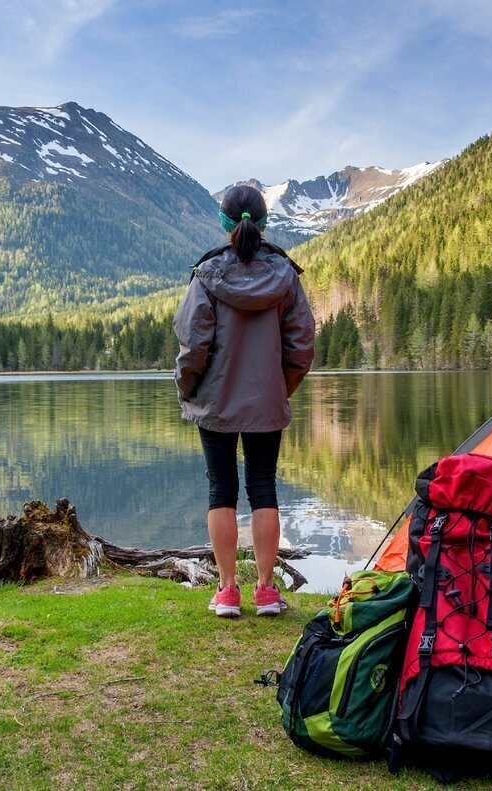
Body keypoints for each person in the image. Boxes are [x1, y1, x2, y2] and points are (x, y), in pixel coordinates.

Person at [173, 185, 316, 617]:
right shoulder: (285, 276)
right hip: (265, 401)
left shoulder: (207, 274)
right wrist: (278, 386)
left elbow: (193, 343)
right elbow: (302, 345)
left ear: (224, 222)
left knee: (222, 490)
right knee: (264, 488)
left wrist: (188, 386)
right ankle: (268, 591)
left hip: (215, 401)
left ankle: (228, 591)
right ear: (263, 221)